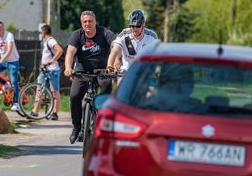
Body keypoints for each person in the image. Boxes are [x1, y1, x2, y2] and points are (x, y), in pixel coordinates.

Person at [64, 10, 116, 144]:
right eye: (85, 22)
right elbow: (70, 52)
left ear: (95, 22)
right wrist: (68, 67)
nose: (87, 24)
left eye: (90, 21)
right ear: (81, 23)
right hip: (82, 72)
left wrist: (115, 63)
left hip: (102, 71)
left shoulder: (104, 32)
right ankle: (76, 127)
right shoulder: (77, 35)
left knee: (106, 90)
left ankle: (100, 120)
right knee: (75, 96)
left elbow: (115, 45)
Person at [106, 9, 159, 76]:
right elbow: (115, 50)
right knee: (120, 81)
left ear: (143, 24)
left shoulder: (152, 36)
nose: (134, 29)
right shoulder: (124, 34)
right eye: (132, 26)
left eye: (138, 26)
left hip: (145, 72)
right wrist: (110, 66)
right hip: (126, 71)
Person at [31, 24, 63, 121]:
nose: (40, 34)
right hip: (44, 70)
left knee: (55, 92)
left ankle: (55, 113)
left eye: (41, 32)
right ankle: (35, 111)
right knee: (39, 89)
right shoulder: (46, 42)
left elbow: (60, 50)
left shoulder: (51, 41)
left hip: (53, 70)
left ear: (44, 32)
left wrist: (52, 60)